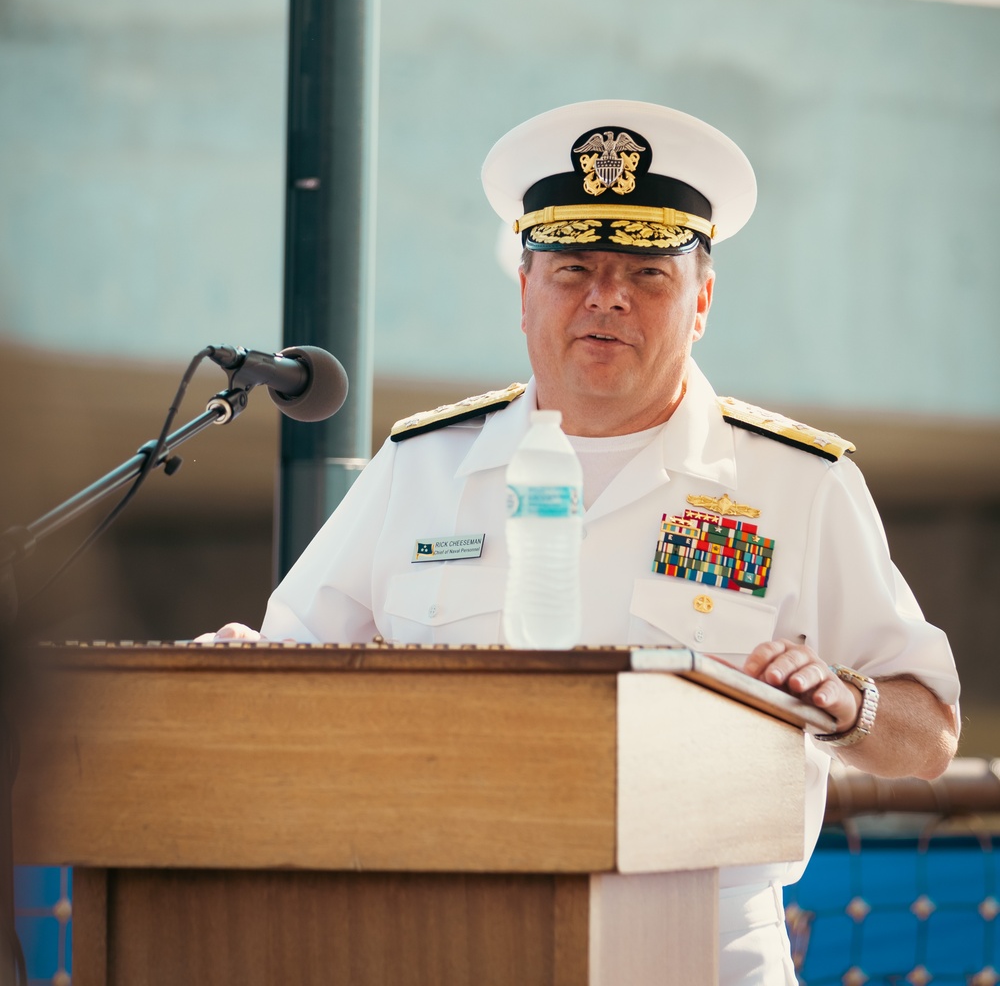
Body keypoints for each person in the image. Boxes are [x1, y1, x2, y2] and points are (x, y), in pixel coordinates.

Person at [207, 99, 959, 986]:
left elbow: (931, 730)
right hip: (446, 937)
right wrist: (236, 670)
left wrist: (848, 703)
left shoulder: (798, 482)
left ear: (703, 298)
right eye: (573, 268)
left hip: (698, 951)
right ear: (525, 289)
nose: (607, 297)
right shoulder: (421, 466)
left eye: (646, 272)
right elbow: (284, 673)